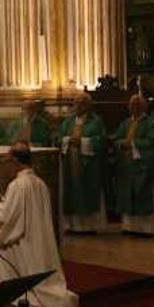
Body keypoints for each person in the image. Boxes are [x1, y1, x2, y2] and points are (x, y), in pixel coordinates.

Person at [0, 142, 82, 307]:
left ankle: (14, 302)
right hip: (40, 240)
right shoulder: (40, 183)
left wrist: (0, 205)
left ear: (16, 162)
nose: (8, 166)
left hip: (22, 242)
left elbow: (8, 217)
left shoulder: (18, 185)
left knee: (4, 253)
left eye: (9, 162)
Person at [114, 95, 154, 236]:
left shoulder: (149, 123)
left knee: (143, 195)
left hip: (142, 166)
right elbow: (117, 139)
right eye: (131, 105)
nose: (132, 107)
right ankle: (129, 226)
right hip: (127, 166)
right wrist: (121, 144)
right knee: (128, 195)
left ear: (143, 107)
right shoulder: (126, 123)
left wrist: (133, 144)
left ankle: (146, 228)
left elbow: (152, 143)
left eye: (136, 105)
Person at [58, 93, 107, 234]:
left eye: (81, 103)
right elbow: (58, 137)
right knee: (71, 192)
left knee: (87, 192)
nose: (78, 106)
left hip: (88, 164)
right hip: (69, 163)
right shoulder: (68, 122)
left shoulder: (96, 121)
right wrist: (67, 140)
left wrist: (83, 142)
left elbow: (101, 140)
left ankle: (90, 226)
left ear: (88, 105)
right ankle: (71, 225)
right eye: (76, 103)